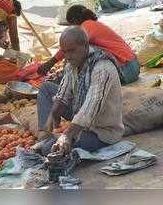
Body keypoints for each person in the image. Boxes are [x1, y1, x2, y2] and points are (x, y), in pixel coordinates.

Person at [36, 26, 124, 156]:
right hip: (80, 113)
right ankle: (45, 136)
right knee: (46, 88)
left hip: (101, 130)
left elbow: (90, 108)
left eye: (71, 51)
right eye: (64, 52)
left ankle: (51, 141)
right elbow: (62, 93)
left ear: (85, 46)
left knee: (49, 149)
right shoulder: (72, 63)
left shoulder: (102, 67)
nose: (68, 56)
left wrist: (66, 135)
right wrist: (52, 115)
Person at [38, 5, 140, 85]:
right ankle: (66, 81)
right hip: (133, 66)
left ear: (74, 21)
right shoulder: (93, 25)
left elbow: (71, 45)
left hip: (126, 69)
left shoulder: (87, 25)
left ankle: (65, 83)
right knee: (78, 51)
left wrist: (50, 63)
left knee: (77, 52)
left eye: (71, 25)